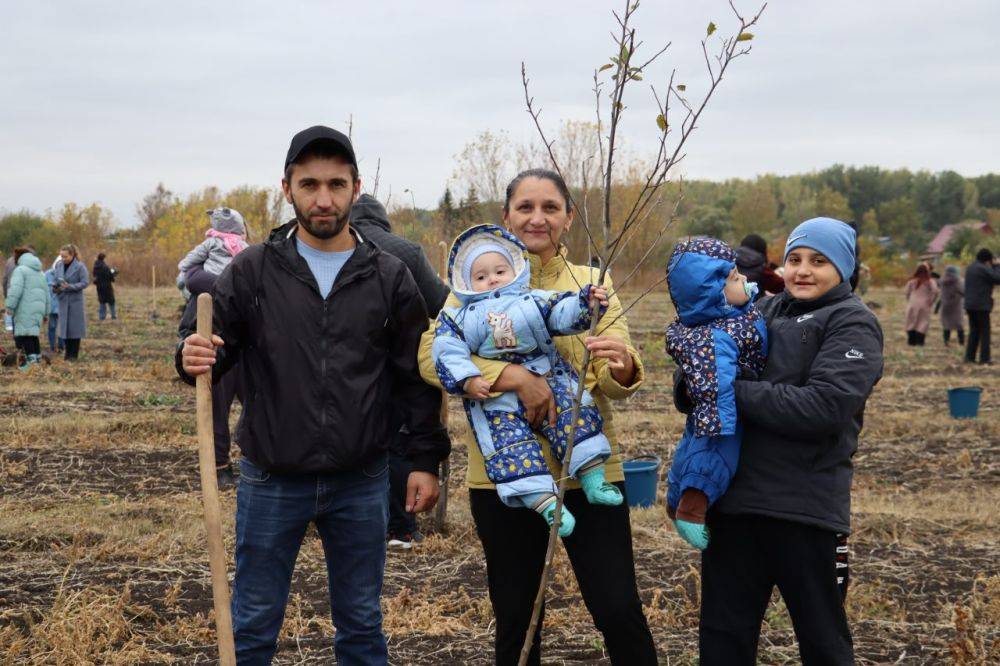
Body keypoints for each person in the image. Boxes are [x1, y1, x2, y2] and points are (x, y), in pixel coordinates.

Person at [177, 125, 449, 664]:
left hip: (362, 478)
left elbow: (414, 379)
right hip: (272, 476)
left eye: (335, 184)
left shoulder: (389, 276)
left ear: (356, 186)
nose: (323, 199)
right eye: (309, 185)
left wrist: (423, 459)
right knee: (253, 624)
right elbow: (210, 349)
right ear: (287, 188)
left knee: (362, 626)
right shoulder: (251, 270)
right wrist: (192, 358)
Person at [419, 169, 657, 665]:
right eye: (525, 207)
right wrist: (517, 379)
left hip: (588, 467)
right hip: (503, 478)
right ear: (506, 216)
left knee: (618, 609)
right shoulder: (473, 282)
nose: (537, 218)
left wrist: (625, 365)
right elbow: (431, 357)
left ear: (568, 217)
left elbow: (617, 375)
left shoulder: (592, 284)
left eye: (550, 207)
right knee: (518, 618)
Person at [674, 216, 883, 665]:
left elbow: (823, 408)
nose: (803, 270)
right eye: (795, 259)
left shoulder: (852, 323)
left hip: (805, 511)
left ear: (843, 267)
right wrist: (693, 376)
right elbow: (696, 373)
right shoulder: (760, 311)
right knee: (723, 640)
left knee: (823, 640)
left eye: (819, 260)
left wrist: (725, 388)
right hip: (734, 508)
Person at [432, 224, 620, 537]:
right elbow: (444, 351)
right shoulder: (460, 316)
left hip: (547, 375)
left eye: (499, 271)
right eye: (480, 276)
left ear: (515, 271)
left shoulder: (531, 300)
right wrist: (468, 379)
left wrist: (584, 303)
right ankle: (546, 504)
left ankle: (592, 478)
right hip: (497, 399)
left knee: (574, 414)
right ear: (466, 283)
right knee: (509, 446)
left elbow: (560, 311)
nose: (492, 279)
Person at [349, 193, 450, 550]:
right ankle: (400, 527)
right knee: (398, 440)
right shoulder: (408, 251)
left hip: (349, 367)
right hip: (400, 361)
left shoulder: (333, 244)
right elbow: (443, 303)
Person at [664, 237, 767, 550]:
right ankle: (692, 510)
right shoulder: (717, 334)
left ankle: (674, 501)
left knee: (688, 450)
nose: (744, 280)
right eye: (735, 278)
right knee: (715, 457)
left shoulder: (718, 319)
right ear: (714, 292)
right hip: (720, 412)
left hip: (707, 411)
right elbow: (714, 382)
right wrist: (720, 422)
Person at [176, 207, 251, 490]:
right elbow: (188, 279)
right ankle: (220, 468)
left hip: (246, 349)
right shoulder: (201, 270)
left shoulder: (250, 261)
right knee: (216, 410)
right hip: (214, 345)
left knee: (257, 404)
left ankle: (251, 459)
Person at [5, 247, 49, 367]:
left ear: (18, 258)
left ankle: (30, 365)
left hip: (25, 308)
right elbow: (47, 292)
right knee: (33, 335)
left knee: (25, 335)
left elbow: (15, 290)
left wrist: (10, 306)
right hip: (38, 308)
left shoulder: (20, 270)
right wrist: (46, 312)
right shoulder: (40, 271)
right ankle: (38, 361)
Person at [177, 207, 249, 281]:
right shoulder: (243, 245)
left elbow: (196, 255)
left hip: (211, 275)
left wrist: (183, 266)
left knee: (193, 276)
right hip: (232, 279)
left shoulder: (212, 241)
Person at [964, 247, 1000, 364]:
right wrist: (997, 266)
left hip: (970, 304)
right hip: (981, 305)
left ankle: (970, 357)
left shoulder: (971, 268)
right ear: (987, 260)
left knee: (974, 331)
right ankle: (985, 359)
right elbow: (997, 278)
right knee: (985, 332)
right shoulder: (982, 268)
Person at [53, 244, 89, 361]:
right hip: (63, 301)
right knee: (65, 330)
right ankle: (67, 354)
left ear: (72, 255)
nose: (63, 259)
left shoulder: (80, 267)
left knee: (75, 330)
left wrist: (71, 286)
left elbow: (85, 282)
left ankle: (73, 356)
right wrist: (55, 287)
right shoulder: (58, 265)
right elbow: (56, 280)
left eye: (65, 257)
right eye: (61, 256)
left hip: (75, 302)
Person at [735, 234, 784, 298]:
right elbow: (782, 287)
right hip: (754, 306)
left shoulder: (728, 261)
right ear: (762, 249)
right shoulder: (761, 268)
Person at [904, 263, 938, 346]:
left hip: (913, 303)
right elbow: (935, 292)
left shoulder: (912, 281)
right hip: (924, 304)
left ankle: (911, 341)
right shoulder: (930, 281)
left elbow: (907, 292)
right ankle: (920, 341)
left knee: (911, 321)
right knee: (922, 322)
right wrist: (931, 300)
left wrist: (909, 300)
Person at [938, 266, 965, 346]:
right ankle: (961, 342)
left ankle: (946, 341)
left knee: (946, 324)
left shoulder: (942, 281)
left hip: (945, 304)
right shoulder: (958, 281)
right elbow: (963, 291)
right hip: (955, 305)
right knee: (959, 324)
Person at [44, 262, 63, 353]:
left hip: (62, 305)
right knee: (52, 327)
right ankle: (52, 347)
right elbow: (43, 289)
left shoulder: (66, 275)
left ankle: (61, 346)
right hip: (51, 305)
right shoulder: (47, 274)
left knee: (61, 327)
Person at [92, 252, 118, 320]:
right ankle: (113, 316)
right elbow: (110, 276)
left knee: (102, 301)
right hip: (107, 286)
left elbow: (94, 275)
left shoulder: (95, 266)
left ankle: (102, 317)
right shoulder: (105, 266)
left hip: (99, 287)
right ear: (104, 258)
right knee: (111, 301)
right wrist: (114, 273)